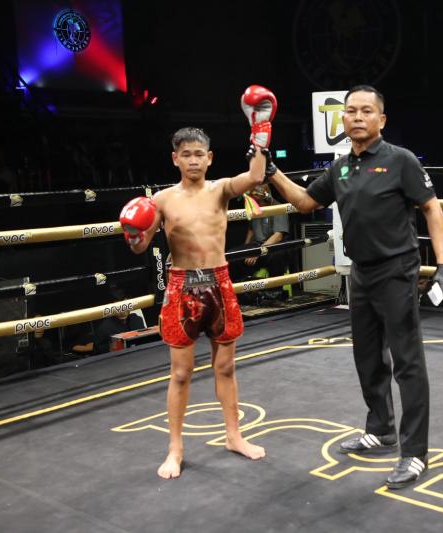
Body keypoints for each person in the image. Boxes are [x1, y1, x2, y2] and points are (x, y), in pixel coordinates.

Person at [266, 85, 443, 489]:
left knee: (407, 362)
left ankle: (415, 453)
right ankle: (381, 429)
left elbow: (431, 208)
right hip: (361, 273)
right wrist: (271, 172)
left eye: (366, 111)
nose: (357, 117)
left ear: (381, 119)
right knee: (367, 357)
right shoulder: (340, 168)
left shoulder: (400, 160)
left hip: (397, 270)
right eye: (351, 111)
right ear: (343, 119)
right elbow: (305, 202)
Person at [119, 85, 275, 479]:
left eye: (199, 153)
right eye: (185, 154)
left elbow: (256, 176)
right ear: (175, 158)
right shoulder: (162, 200)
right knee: (180, 373)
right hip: (182, 286)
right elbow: (141, 247)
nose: (193, 159)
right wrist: (133, 234)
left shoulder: (221, 189)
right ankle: (175, 449)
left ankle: (234, 436)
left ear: (209, 158)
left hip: (219, 283)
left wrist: (260, 132)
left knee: (226, 368)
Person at [227, 182, 290, 284]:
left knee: (277, 256)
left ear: (264, 194)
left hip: (274, 246)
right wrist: (246, 249)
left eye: (254, 195)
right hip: (257, 244)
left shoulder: (278, 207)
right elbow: (251, 230)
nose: (252, 197)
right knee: (233, 255)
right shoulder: (253, 207)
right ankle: (239, 287)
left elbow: (278, 236)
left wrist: (259, 251)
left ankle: (275, 289)